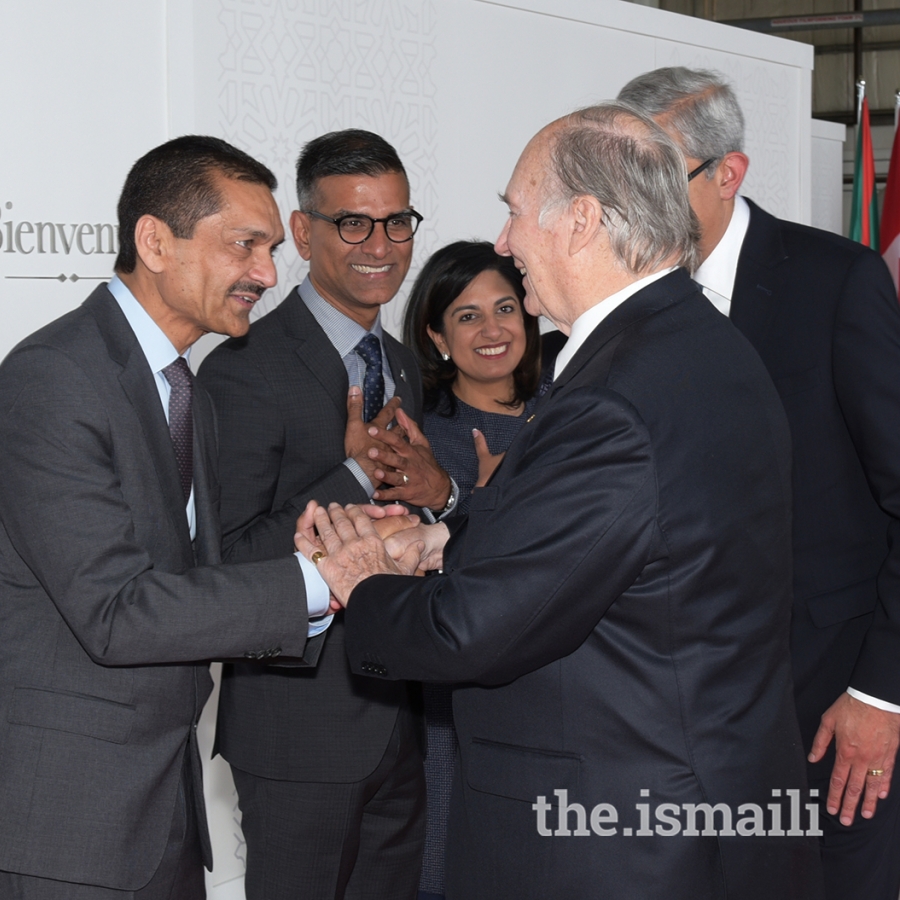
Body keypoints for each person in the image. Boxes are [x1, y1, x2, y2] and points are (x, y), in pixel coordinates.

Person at [297, 106, 821, 899]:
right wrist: (453, 544)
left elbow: (469, 631)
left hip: (613, 842)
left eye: (512, 213)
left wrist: (363, 579)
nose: (504, 244)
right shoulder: (706, 345)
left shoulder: (613, 395)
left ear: (579, 222)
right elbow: (638, 553)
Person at [0, 135, 334, 900]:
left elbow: (190, 587)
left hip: (161, 813)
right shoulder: (54, 380)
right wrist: (316, 583)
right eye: (246, 246)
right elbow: (117, 611)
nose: (267, 273)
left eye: (269, 251)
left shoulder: (184, 390)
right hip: (68, 826)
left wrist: (315, 558)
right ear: (155, 241)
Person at [618, 67, 900, 900]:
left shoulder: (834, 281)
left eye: (653, 175)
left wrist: (879, 693)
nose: (631, 201)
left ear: (727, 174)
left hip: (831, 705)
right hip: (681, 719)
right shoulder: (627, 299)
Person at [197, 128, 455, 900]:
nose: (380, 245)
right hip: (297, 732)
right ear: (303, 233)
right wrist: (350, 473)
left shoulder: (403, 361)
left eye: (397, 221)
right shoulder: (243, 367)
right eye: (353, 223)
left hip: (400, 718)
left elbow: (407, 532)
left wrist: (438, 498)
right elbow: (227, 559)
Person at [399, 240, 554, 900]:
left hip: (570, 695)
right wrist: (486, 507)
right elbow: (424, 583)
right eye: (467, 316)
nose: (493, 330)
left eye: (505, 308)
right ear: (435, 335)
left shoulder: (576, 413)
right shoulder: (422, 440)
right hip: (459, 708)